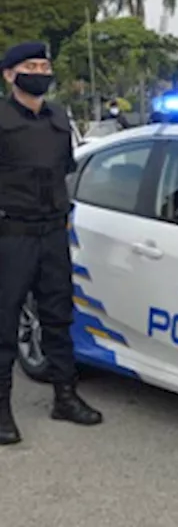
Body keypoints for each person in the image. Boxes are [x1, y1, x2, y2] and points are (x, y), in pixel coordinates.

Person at [0, 41, 103, 446]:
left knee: (58, 317)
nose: (40, 71)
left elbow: (64, 172)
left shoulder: (60, 118)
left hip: (52, 233)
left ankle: (65, 396)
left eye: (44, 65)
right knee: (5, 324)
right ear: (9, 74)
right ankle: (2, 411)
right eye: (31, 65)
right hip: (11, 236)